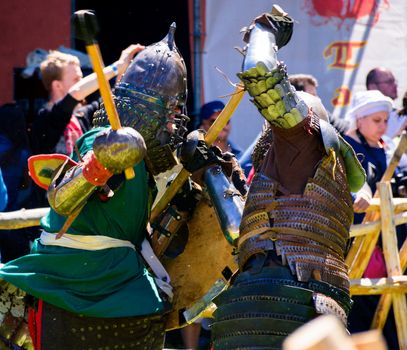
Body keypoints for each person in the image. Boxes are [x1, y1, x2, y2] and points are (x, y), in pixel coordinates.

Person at [0, 24, 192, 349]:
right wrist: (100, 164)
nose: (173, 125)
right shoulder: (77, 130)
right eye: (170, 114)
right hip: (70, 262)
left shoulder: (133, 152)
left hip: (119, 271)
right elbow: (61, 199)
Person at [210, 7, 365, 349]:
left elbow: (260, 71)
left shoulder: (303, 138)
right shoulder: (318, 174)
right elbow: (248, 234)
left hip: (282, 306)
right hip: (310, 307)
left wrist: (265, 31)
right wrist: (212, 172)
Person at [343, 90, 400, 350]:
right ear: (360, 119)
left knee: (390, 303)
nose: (382, 126)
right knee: (361, 303)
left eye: (385, 120)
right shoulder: (348, 147)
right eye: (376, 120)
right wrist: (360, 194)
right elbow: (353, 183)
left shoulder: (386, 147)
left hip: (387, 240)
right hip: (357, 241)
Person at [31, 45, 141, 156]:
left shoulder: (82, 114)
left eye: (81, 78)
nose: (82, 82)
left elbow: (113, 98)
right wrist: (116, 66)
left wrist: (123, 69)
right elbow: (76, 92)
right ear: (57, 85)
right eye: (76, 79)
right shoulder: (45, 118)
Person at [366, 67, 406, 139]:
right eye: (389, 82)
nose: (395, 85)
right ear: (373, 87)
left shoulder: (402, 117)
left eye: (394, 81)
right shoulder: (360, 116)